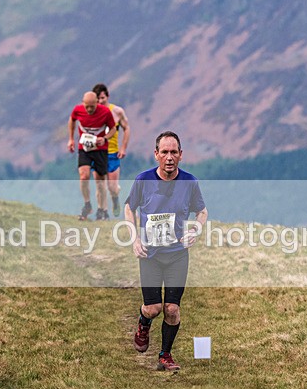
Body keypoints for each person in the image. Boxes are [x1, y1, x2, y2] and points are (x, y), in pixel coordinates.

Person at [123, 131, 208, 371]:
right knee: (153, 309)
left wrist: (196, 230)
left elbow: (202, 211)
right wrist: (135, 239)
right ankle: (143, 322)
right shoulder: (143, 180)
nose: (169, 157)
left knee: (171, 308)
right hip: (150, 255)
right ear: (156, 155)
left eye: (173, 152)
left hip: (177, 254)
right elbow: (129, 208)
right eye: (164, 152)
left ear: (181, 155)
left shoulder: (189, 182)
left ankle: (165, 355)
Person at [68, 91, 116, 220]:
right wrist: (71, 139)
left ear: (97, 103)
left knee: (100, 181)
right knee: (83, 175)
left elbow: (113, 129)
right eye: (87, 106)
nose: (89, 109)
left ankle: (101, 209)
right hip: (84, 148)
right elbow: (72, 120)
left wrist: (105, 138)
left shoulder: (105, 112)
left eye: (92, 106)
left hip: (100, 149)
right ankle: (87, 204)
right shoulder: (77, 110)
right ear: (83, 103)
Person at [92, 83, 130, 217]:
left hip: (112, 154)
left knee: (112, 187)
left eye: (102, 98)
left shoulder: (117, 112)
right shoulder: (92, 112)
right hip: (97, 153)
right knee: (100, 186)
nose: (100, 101)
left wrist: (123, 147)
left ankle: (115, 199)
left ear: (107, 96)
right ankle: (103, 213)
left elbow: (127, 128)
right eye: (98, 99)